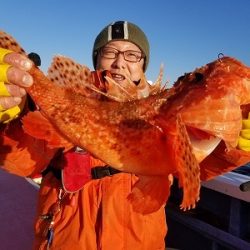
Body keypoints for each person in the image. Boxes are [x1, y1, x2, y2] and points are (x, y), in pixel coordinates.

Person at [0, 21, 167, 250]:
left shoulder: (163, 111)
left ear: (143, 64)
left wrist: (232, 143)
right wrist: (11, 118)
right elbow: (23, 160)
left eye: (132, 55)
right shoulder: (70, 99)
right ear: (97, 59)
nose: (120, 63)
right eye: (110, 52)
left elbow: (206, 159)